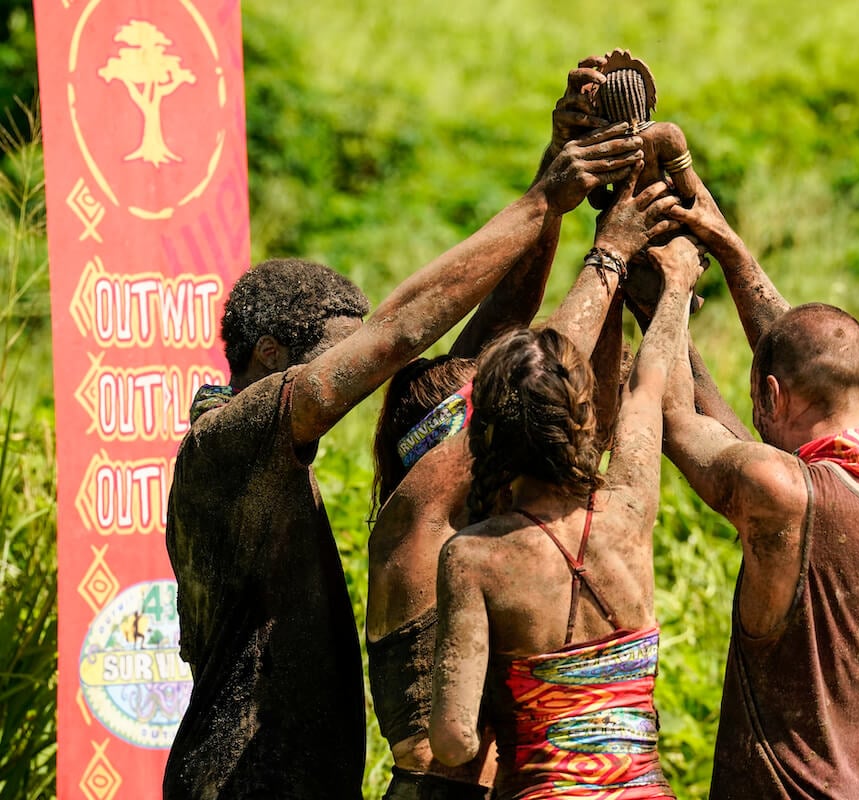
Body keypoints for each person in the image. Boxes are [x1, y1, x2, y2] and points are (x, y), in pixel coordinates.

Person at [163, 121, 645, 800]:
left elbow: (497, 348)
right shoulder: (227, 444)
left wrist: (556, 180)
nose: (360, 378)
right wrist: (588, 244)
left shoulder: (275, 463)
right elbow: (430, 350)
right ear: (270, 355)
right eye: (340, 356)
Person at [366, 144, 680, 800]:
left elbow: (548, 387)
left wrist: (560, 187)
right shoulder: (416, 523)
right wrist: (622, 262)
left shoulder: (487, 540)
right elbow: (577, 390)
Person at [661, 179, 859, 799]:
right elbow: (805, 365)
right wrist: (730, 249)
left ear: (769, 396)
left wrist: (666, 301)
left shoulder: (783, 490)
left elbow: (677, 415)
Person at [427, 231, 704, 799]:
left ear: (489, 431)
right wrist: (677, 284)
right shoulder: (628, 510)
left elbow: (454, 739)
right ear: (578, 415)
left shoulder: (473, 557)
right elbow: (646, 391)